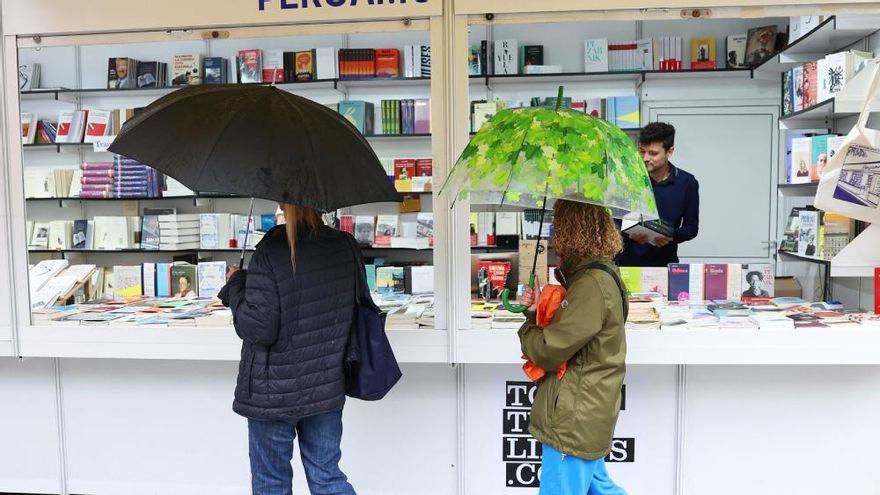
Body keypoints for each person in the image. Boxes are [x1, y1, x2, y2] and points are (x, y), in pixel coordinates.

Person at [219, 203, 359, 495]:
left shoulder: (271, 249)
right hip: (325, 384)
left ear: (285, 202)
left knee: (272, 483)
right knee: (327, 478)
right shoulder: (344, 245)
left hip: (273, 392)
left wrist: (236, 285)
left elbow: (258, 328)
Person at [518, 200, 628, 495]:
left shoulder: (590, 284)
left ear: (570, 230)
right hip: (587, 408)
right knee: (601, 489)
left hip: (573, 416)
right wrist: (536, 310)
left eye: (558, 225)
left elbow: (548, 349)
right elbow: (571, 332)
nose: (554, 235)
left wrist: (528, 328)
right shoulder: (600, 274)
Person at [616, 122, 700, 267]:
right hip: (626, 263)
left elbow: (691, 227)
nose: (645, 158)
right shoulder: (626, 180)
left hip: (664, 264)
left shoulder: (687, 182)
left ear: (669, 152)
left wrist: (671, 236)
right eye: (642, 151)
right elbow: (613, 221)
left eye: (653, 153)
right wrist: (629, 234)